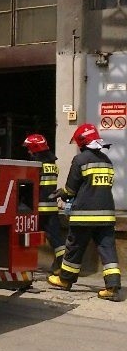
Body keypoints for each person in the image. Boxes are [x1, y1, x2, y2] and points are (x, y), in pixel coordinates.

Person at [48, 122, 121, 301]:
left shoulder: (80, 160)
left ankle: (65, 280)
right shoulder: (107, 161)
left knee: (74, 247)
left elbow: (71, 190)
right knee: (107, 249)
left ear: (82, 142)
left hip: (84, 214)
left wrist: (61, 194)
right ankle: (112, 287)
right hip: (106, 214)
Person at [22, 133, 66, 273]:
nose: (28, 151)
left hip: (37, 209)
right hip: (51, 208)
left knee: (27, 237)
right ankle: (61, 267)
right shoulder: (53, 165)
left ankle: (25, 267)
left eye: (29, 148)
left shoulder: (36, 166)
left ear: (35, 148)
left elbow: (28, 187)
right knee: (56, 239)